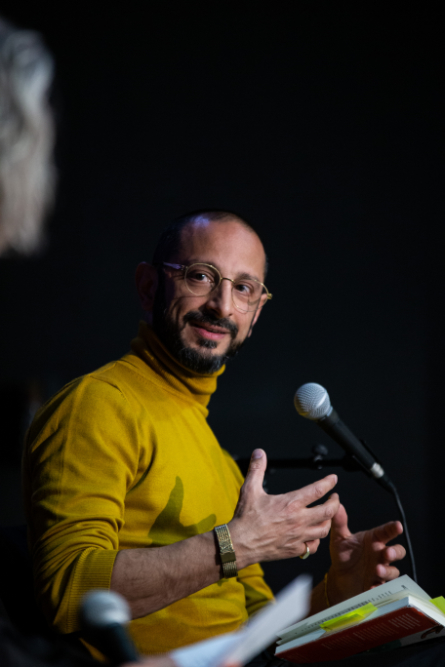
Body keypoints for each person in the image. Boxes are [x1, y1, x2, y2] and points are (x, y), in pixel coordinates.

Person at [23, 210, 406, 662]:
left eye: (243, 288)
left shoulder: (221, 460)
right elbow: (67, 592)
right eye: (201, 276)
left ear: (257, 312)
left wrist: (334, 594)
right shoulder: (98, 405)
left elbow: (260, 632)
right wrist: (237, 544)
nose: (222, 306)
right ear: (149, 287)